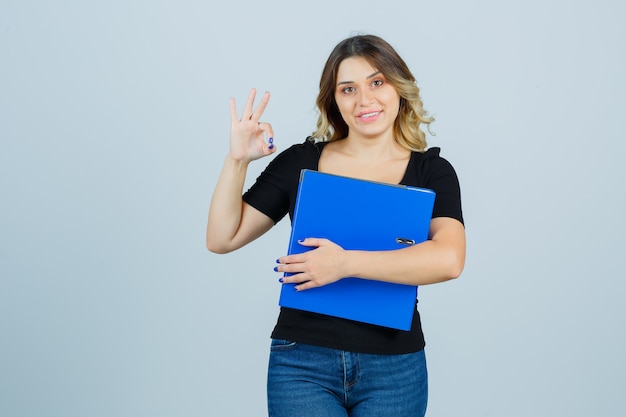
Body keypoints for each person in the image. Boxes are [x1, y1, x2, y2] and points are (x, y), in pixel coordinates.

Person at [206, 34, 466, 417]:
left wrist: (344, 264)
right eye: (348, 89)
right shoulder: (301, 162)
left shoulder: (431, 172)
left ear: (399, 87)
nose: (365, 100)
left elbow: (449, 259)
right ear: (335, 100)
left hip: (394, 367)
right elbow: (221, 238)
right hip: (302, 363)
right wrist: (237, 160)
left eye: (377, 82)